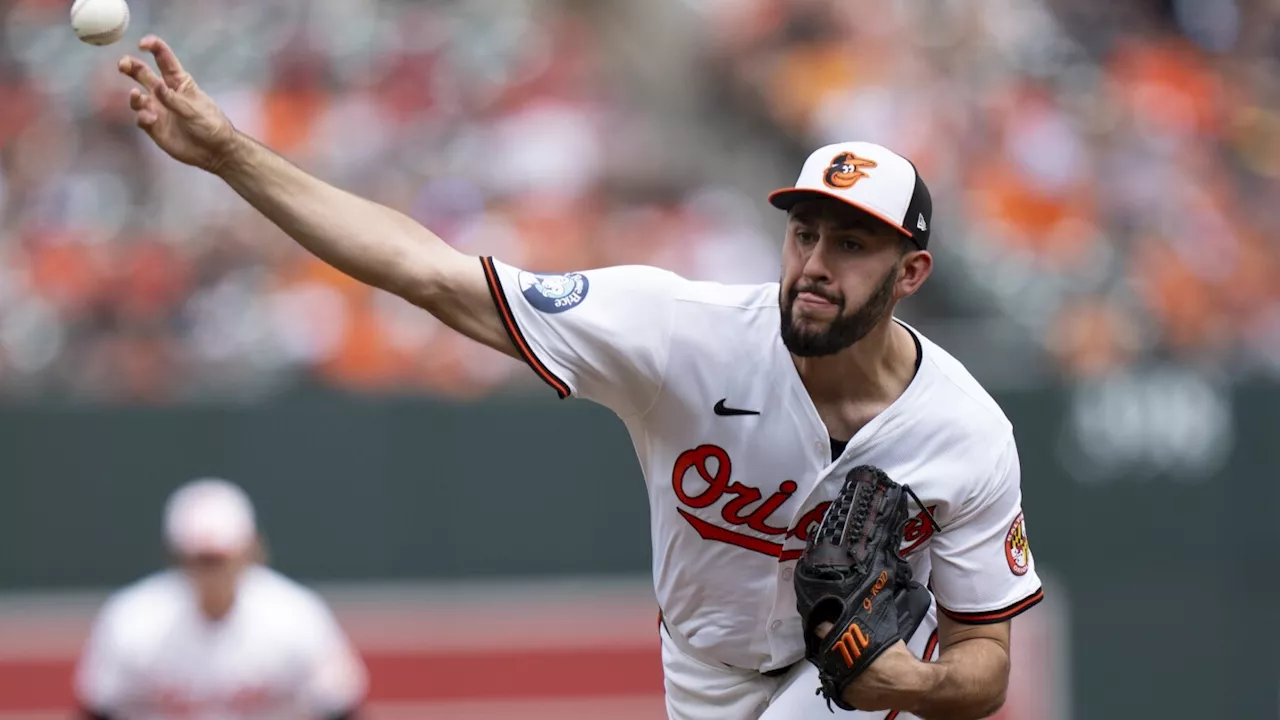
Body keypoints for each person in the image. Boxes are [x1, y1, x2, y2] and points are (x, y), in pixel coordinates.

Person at [114, 37, 1043, 719]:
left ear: (910, 274)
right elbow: (431, 274)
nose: (813, 263)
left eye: (850, 245)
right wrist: (230, 154)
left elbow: (984, 662)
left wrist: (912, 684)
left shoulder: (963, 431)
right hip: (705, 676)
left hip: (856, 675)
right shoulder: (682, 334)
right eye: (804, 232)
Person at [73, 478, 368, 720]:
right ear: (176, 557)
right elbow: (98, 706)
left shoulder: (296, 616)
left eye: (219, 559)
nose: (211, 573)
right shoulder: (131, 621)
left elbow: (340, 704)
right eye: (201, 560)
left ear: (252, 551)